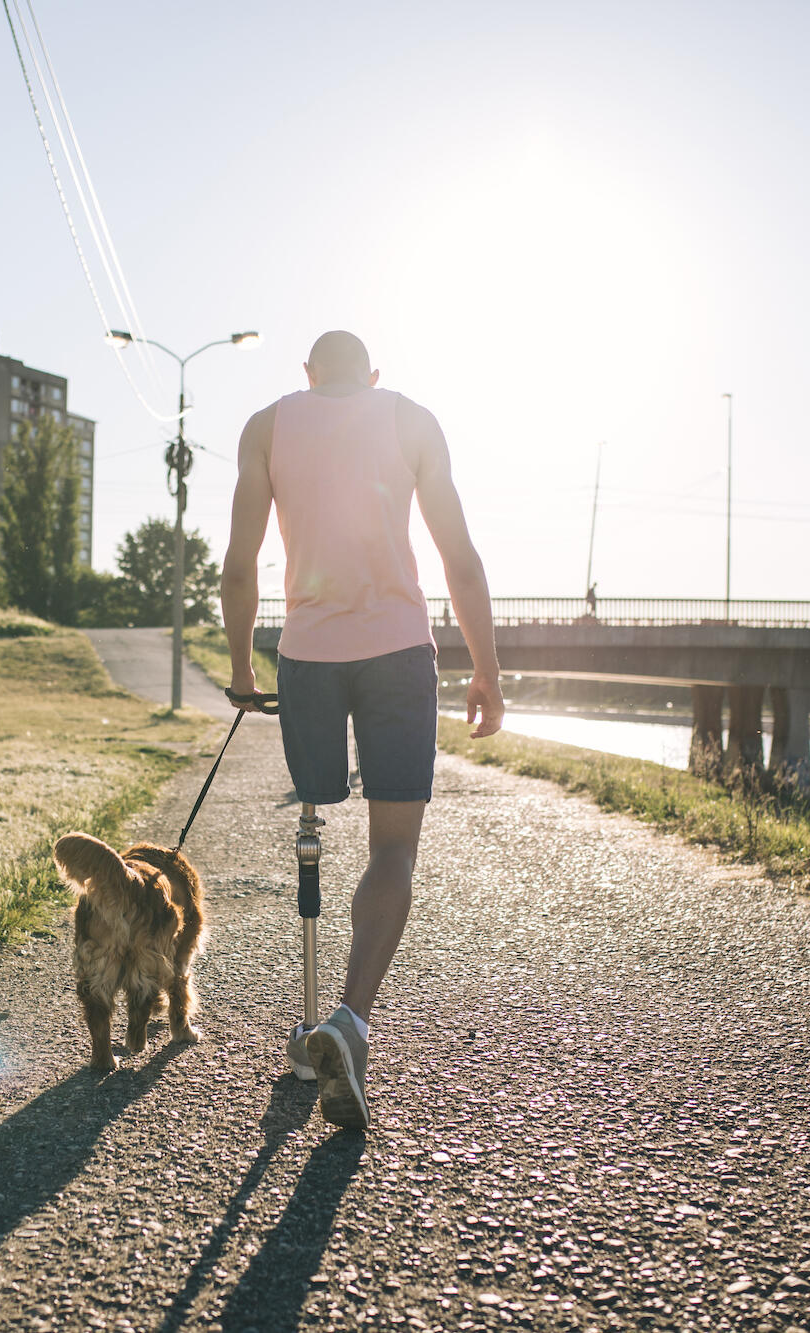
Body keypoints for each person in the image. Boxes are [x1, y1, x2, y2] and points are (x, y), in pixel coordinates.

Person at [220, 330, 503, 1130]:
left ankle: (309, 1021)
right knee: (392, 849)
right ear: (374, 376)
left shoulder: (267, 426)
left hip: (308, 655)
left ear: (308, 376)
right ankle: (348, 1019)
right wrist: (487, 671)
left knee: (311, 827)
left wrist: (243, 669)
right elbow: (461, 559)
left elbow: (240, 564)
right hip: (399, 652)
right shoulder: (412, 419)